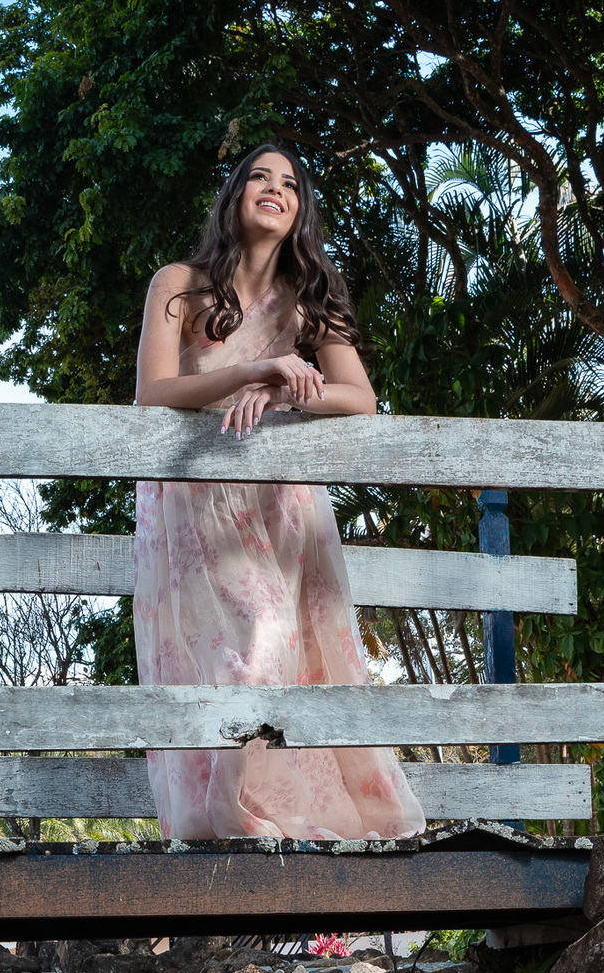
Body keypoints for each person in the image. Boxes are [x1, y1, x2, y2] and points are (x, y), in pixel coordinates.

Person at [133, 143, 426, 844]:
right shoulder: (179, 283)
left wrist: (282, 387)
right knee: (241, 648)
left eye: (289, 183)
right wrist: (252, 370)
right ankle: (223, 813)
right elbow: (153, 393)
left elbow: (361, 399)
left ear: (300, 211)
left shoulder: (310, 294)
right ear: (234, 196)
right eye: (259, 177)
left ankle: (294, 814)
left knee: (301, 644)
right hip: (200, 496)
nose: (275, 188)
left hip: (282, 498)